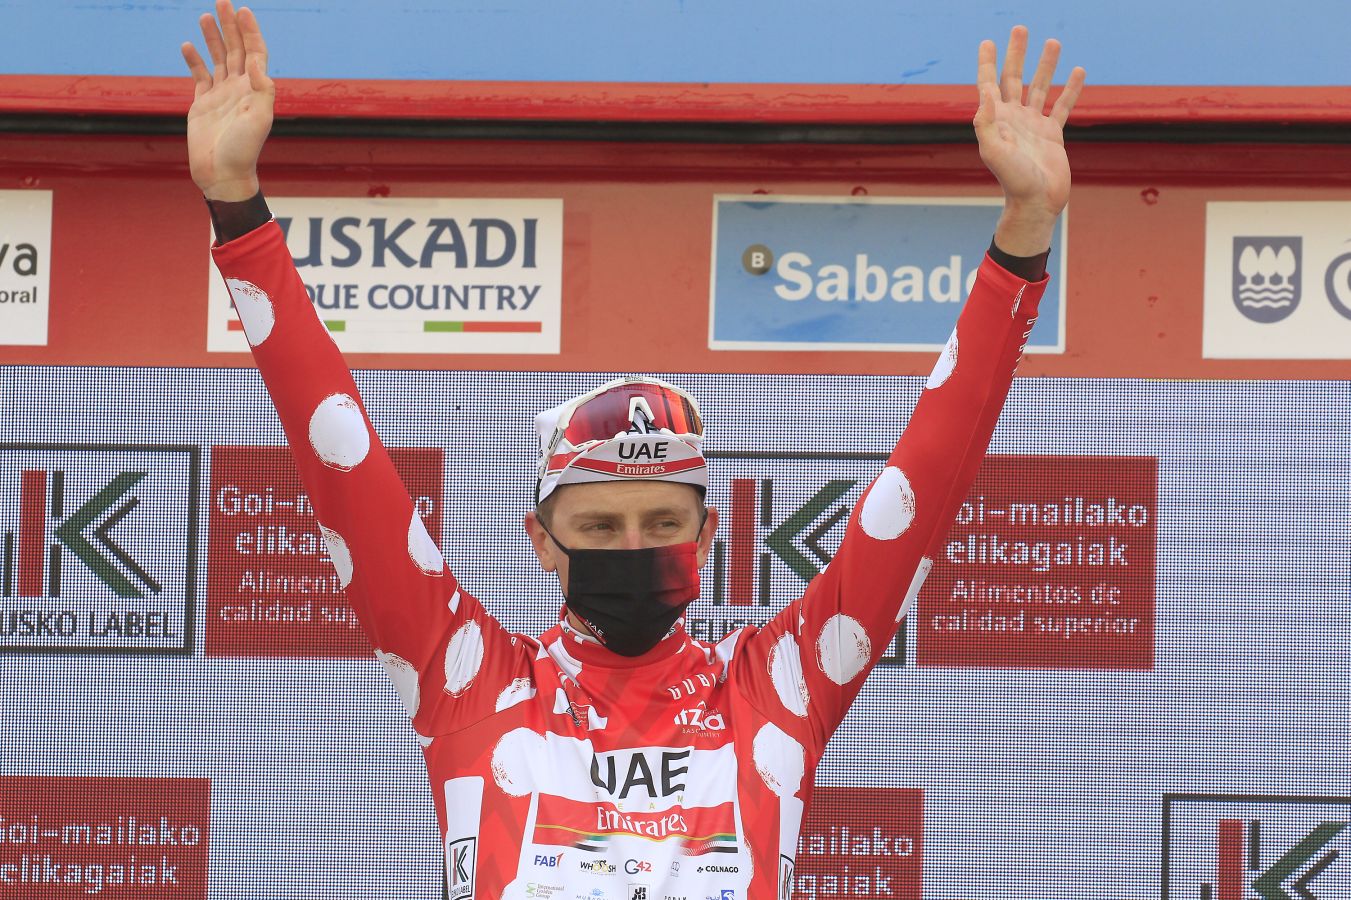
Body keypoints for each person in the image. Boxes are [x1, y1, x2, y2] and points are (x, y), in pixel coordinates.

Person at [182, 3, 1084, 897]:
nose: (634, 547)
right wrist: (237, 209)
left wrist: (1024, 235)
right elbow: (344, 463)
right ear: (541, 540)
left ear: (710, 532)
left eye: (662, 521)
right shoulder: (473, 684)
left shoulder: (772, 688)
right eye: (600, 524)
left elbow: (924, 485)